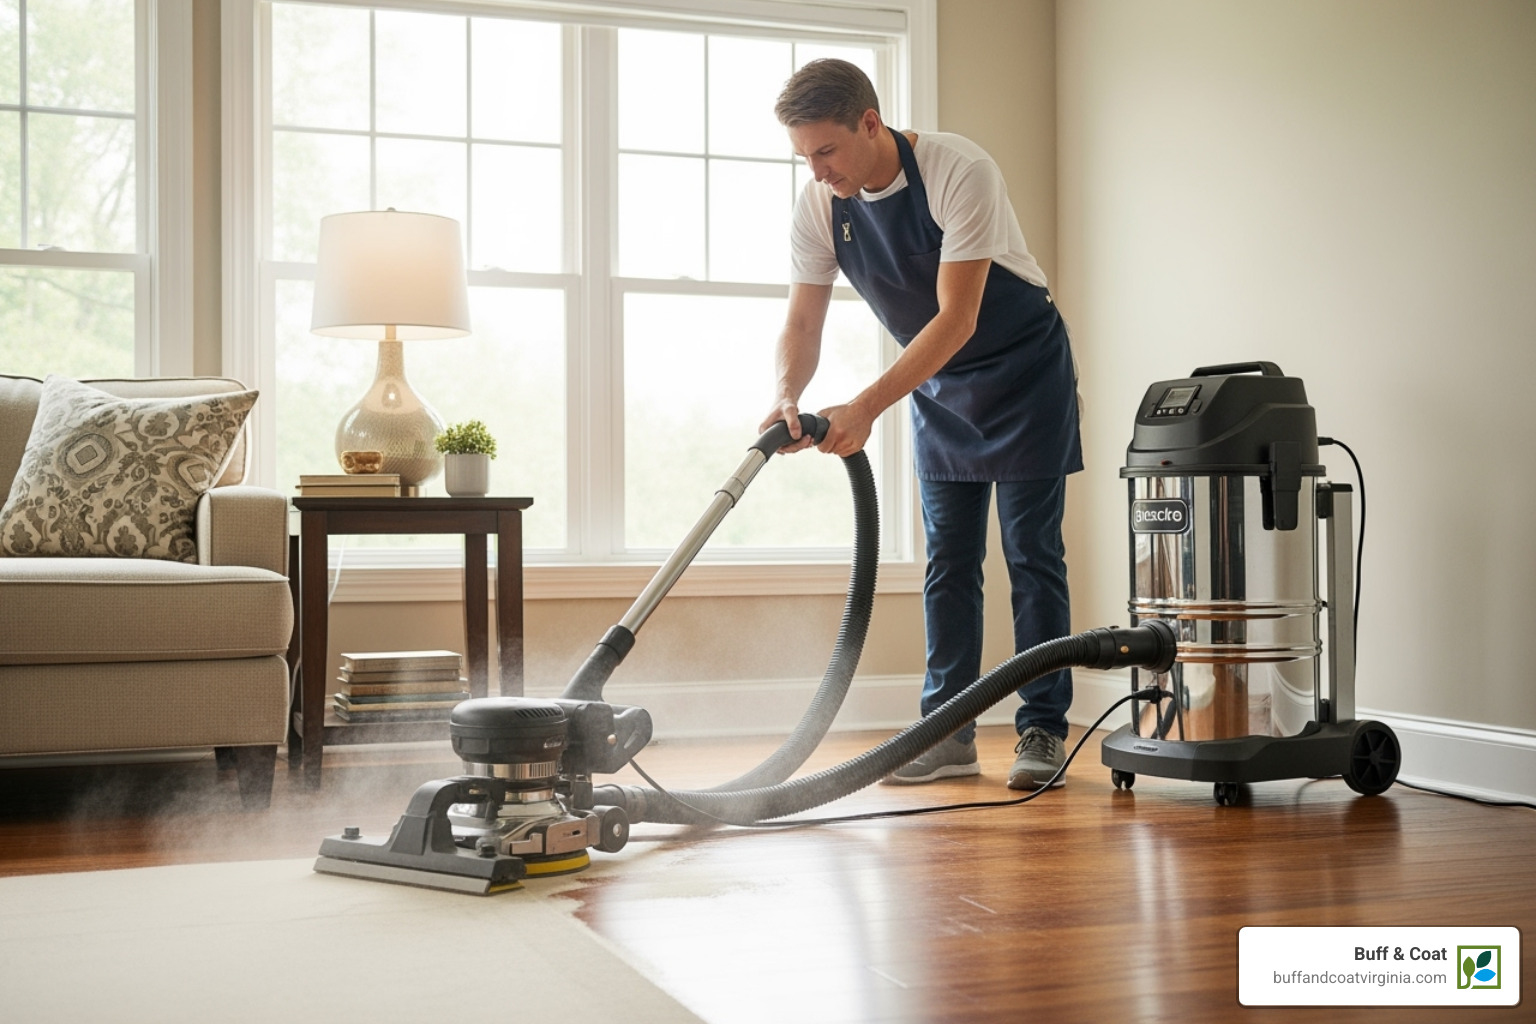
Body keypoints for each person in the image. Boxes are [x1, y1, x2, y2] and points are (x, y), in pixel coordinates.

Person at [761, 59, 1083, 789]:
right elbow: (803, 319)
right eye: (804, 156)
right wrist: (787, 395)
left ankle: (1043, 727)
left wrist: (866, 405)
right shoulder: (820, 207)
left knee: (1032, 553)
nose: (816, 172)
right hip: (941, 385)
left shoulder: (957, 168)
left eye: (825, 152)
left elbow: (958, 316)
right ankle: (947, 732)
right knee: (949, 560)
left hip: (1022, 370)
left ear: (869, 123)